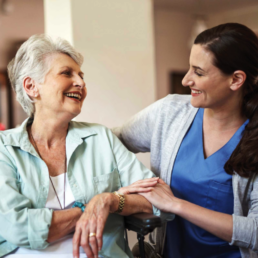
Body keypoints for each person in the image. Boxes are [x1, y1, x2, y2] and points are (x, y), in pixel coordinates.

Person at [0, 34, 168, 258]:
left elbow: (158, 199)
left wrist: (108, 200)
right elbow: (17, 226)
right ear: (31, 86)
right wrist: (87, 209)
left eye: (80, 75)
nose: (80, 83)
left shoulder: (101, 138)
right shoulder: (4, 148)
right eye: (66, 73)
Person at [113, 23, 258, 258]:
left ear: (236, 80)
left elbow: (255, 232)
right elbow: (109, 143)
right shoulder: (169, 113)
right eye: (189, 68)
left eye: (198, 72)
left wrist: (175, 205)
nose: (186, 80)